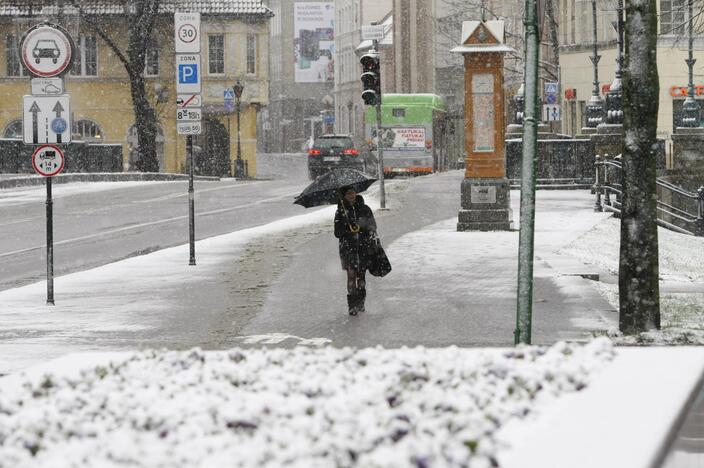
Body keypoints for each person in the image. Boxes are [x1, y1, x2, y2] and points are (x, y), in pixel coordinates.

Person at [334, 186, 377, 315]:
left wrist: (362, 228)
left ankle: (361, 302)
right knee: (351, 275)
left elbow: (373, 226)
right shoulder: (340, 212)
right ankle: (352, 306)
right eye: (348, 194)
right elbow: (337, 232)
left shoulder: (365, 209)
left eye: (353, 193)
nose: (351, 195)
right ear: (344, 196)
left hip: (363, 247)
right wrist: (348, 229)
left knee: (361, 276)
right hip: (348, 248)